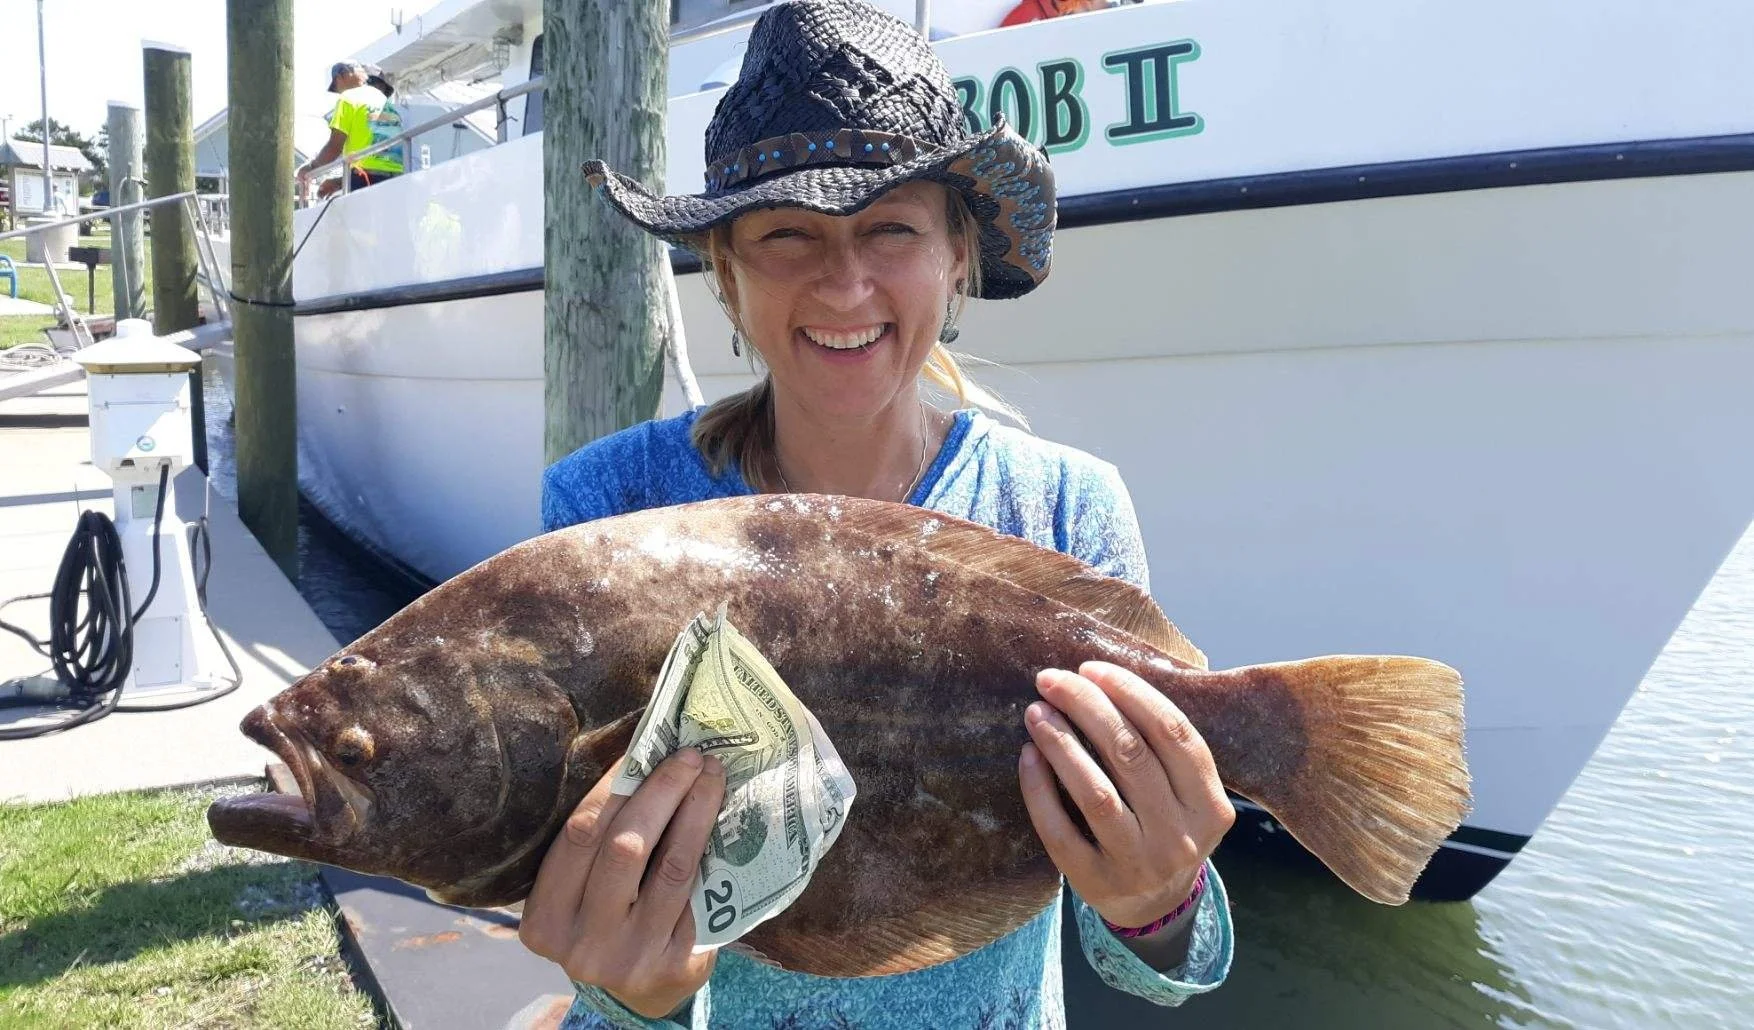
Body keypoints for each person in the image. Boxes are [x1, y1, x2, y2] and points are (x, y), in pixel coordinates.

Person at [526, 1, 1235, 1026]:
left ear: (956, 258)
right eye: (785, 234)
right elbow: (577, 880)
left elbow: (1131, 945)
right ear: (723, 271)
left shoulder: (1065, 506)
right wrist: (634, 993)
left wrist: (1153, 904)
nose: (844, 280)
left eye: (890, 228)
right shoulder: (602, 509)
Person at [296, 60, 405, 197]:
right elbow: (378, 161)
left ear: (341, 76)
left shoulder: (348, 98)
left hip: (365, 177)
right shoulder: (387, 104)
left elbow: (334, 147)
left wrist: (311, 168)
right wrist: (338, 182)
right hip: (398, 178)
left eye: (336, 87)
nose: (338, 92)